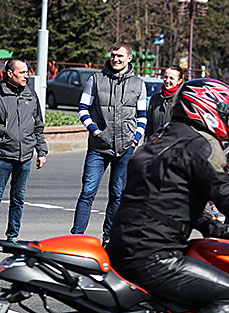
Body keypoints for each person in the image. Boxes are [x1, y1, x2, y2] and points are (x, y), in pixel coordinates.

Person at [106, 78, 229, 312]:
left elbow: (168, 199)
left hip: (125, 247)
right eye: (223, 114)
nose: (225, 122)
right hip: (153, 256)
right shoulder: (196, 145)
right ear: (205, 108)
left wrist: (216, 229)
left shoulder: (161, 139)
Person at [71, 41, 147, 245]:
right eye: (113, 55)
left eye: (120, 56)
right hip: (98, 148)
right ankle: (76, 237)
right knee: (87, 192)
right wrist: (94, 130)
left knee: (117, 194)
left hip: (125, 148)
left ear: (129, 58)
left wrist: (135, 139)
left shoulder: (138, 84)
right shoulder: (95, 79)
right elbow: (82, 109)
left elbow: (142, 116)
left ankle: (108, 237)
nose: (115, 59)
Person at [0, 59, 48, 243]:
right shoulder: (1, 93)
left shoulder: (30, 94)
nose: (26, 75)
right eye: (22, 72)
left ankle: (12, 236)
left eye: (27, 72)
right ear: (10, 74)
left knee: (18, 199)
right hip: (3, 155)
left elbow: (38, 125)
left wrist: (41, 152)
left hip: (25, 156)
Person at [144, 65, 184, 140]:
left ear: (179, 81)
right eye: (165, 77)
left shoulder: (181, 100)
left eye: (171, 78)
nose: (167, 80)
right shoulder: (155, 99)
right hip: (155, 146)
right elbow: (149, 125)